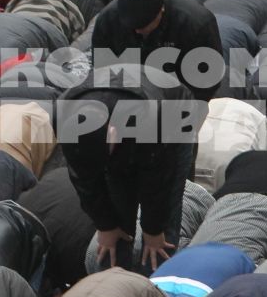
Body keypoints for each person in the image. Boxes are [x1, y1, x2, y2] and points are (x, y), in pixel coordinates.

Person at [63, 71, 197, 272]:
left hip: (174, 119)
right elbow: (82, 177)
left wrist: (153, 230)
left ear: (112, 133)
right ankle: (114, 284)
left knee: (161, 230)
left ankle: (156, 282)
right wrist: (106, 225)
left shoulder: (151, 116)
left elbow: (159, 178)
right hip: (126, 112)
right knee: (115, 219)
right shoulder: (65, 116)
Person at [89, 0, 224, 105]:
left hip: (180, 93)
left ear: (161, 10)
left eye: (144, 25)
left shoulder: (196, 24)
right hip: (132, 90)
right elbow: (103, 72)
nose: (138, 31)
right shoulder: (108, 20)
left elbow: (206, 84)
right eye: (132, 27)